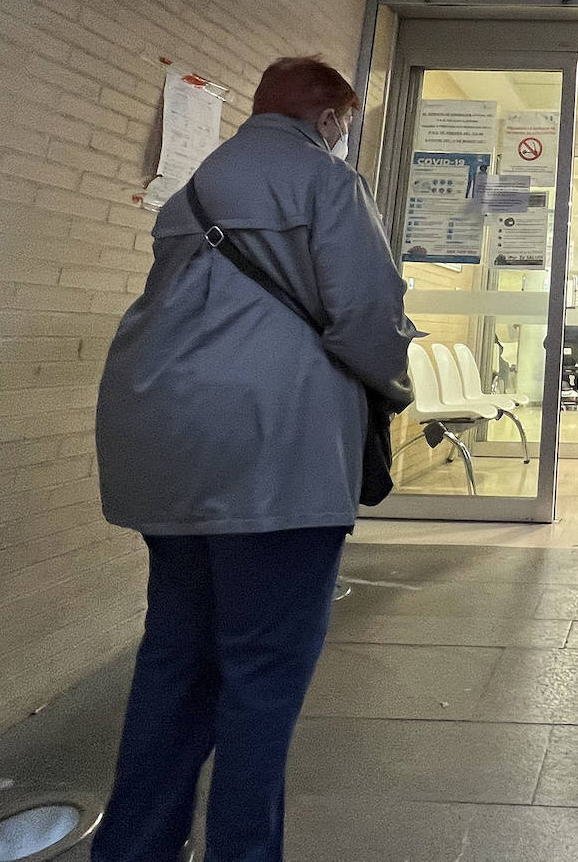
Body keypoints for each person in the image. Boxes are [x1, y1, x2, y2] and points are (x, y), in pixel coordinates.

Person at [92, 56, 416, 861]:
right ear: (333, 119)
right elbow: (368, 315)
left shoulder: (193, 188)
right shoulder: (325, 182)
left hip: (160, 444)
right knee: (262, 679)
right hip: (274, 457)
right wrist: (396, 389)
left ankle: (133, 849)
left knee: (175, 663)